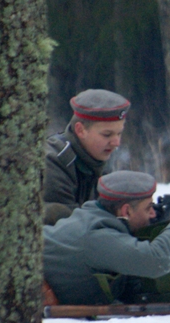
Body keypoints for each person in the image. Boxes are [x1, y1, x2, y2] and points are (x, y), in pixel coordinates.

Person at [43, 171, 170, 305]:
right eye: (148, 208)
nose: (153, 214)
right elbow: (156, 260)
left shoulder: (92, 219)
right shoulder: (98, 236)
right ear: (126, 211)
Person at [44, 89, 130, 225]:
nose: (116, 143)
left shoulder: (97, 157)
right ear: (80, 130)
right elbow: (69, 228)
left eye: (119, 134)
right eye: (107, 135)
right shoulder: (54, 162)